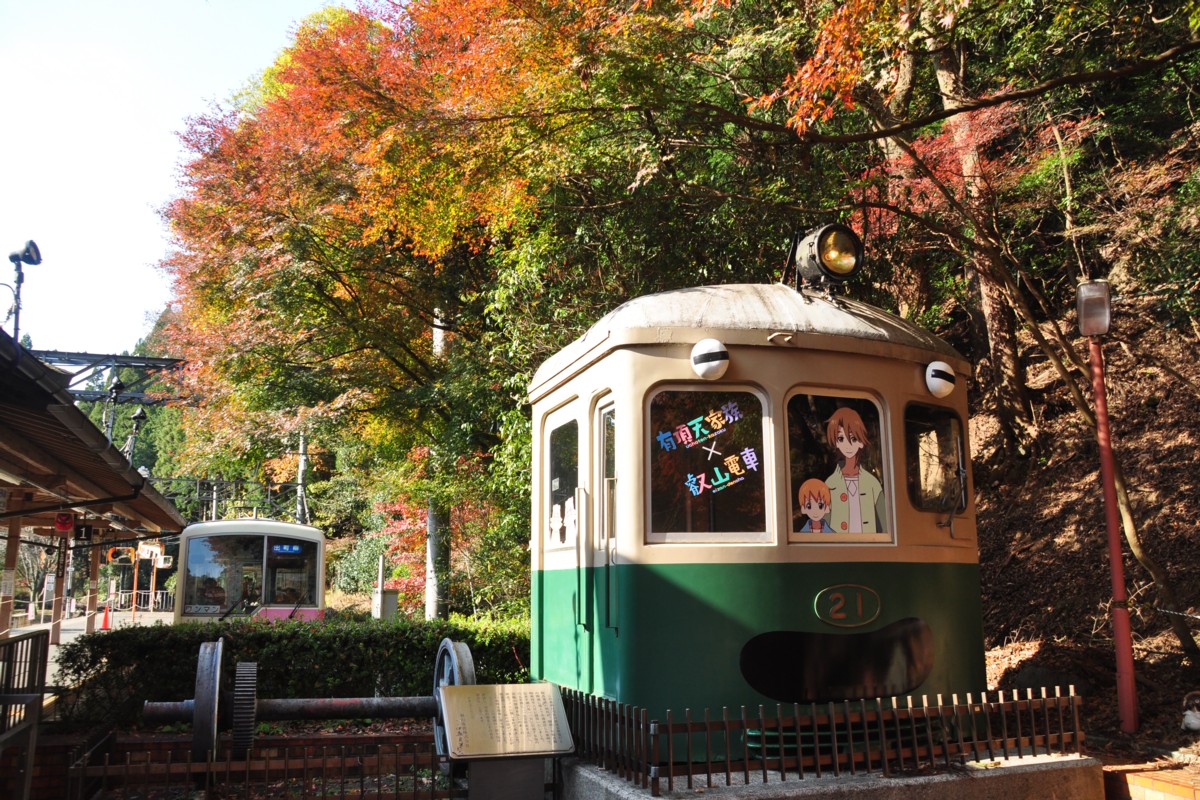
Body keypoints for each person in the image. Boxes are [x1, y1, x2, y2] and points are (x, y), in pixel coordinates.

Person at [825, 406, 886, 533]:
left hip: (870, 549)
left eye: (853, 438)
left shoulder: (872, 483)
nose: (847, 445)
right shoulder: (830, 484)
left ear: (861, 442)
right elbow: (824, 524)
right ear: (836, 443)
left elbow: (885, 525)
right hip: (838, 550)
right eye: (841, 438)